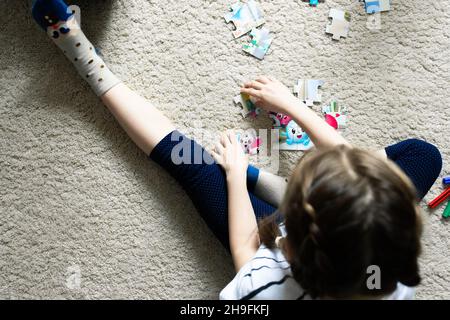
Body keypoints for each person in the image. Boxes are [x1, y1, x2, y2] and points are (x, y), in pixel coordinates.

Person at [31, 0, 442, 300]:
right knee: (426, 157)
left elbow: (247, 250)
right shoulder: (392, 276)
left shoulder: (261, 289)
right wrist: (291, 105)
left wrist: (232, 175)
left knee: (190, 165)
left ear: (292, 238)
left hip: (269, 241)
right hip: (331, 244)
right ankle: (261, 179)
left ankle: (77, 51)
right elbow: (357, 166)